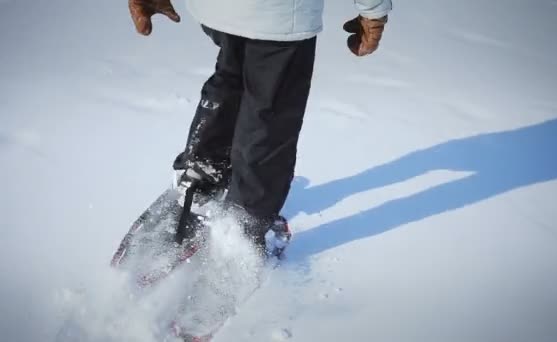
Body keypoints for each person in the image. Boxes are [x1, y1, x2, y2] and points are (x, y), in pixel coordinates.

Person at [128, 0, 392, 255]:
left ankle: (202, 174)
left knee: (232, 74)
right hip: (281, 14)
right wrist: (373, 10)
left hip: (216, 7)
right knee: (270, 108)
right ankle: (246, 221)